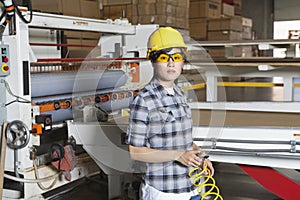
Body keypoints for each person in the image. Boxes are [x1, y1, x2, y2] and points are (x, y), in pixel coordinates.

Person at [126, 27, 214, 200]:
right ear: (153, 61)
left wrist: (201, 157)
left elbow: (184, 139)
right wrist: (178, 155)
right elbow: (135, 151)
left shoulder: (181, 93)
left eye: (177, 57)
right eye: (164, 58)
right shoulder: (144, 100)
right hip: (165, 192)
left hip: (192, 186)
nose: (171, 63)